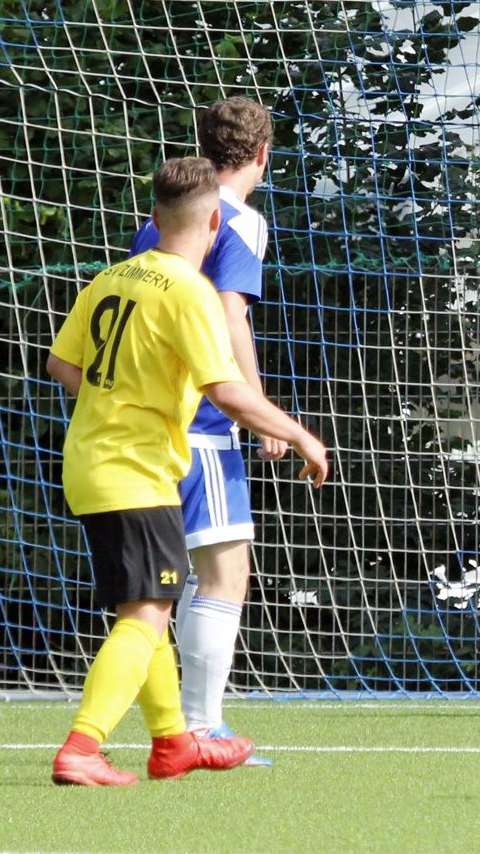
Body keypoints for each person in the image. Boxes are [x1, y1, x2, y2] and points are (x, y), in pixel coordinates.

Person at [47, 157, 329, 786]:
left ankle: (172, 742)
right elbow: (227, 391)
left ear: (153, 218)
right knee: (146, 616)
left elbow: (62, 366)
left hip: (90, 462)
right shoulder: (191, 292)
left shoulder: (110, 279)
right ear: (211, 225)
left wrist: (117, 398)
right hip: (139, 469)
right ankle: (83, 746)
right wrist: (300, 435)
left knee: (149, 607)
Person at [130, 97, 284, 764]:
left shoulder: (157, 223)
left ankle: (185, 722)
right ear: (260, 155)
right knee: (224, 573)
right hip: (206, 422)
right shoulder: (239, 221)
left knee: (183, 579)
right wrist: (256, 405)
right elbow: (230, 315)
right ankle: (202, 726)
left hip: (150, 420)